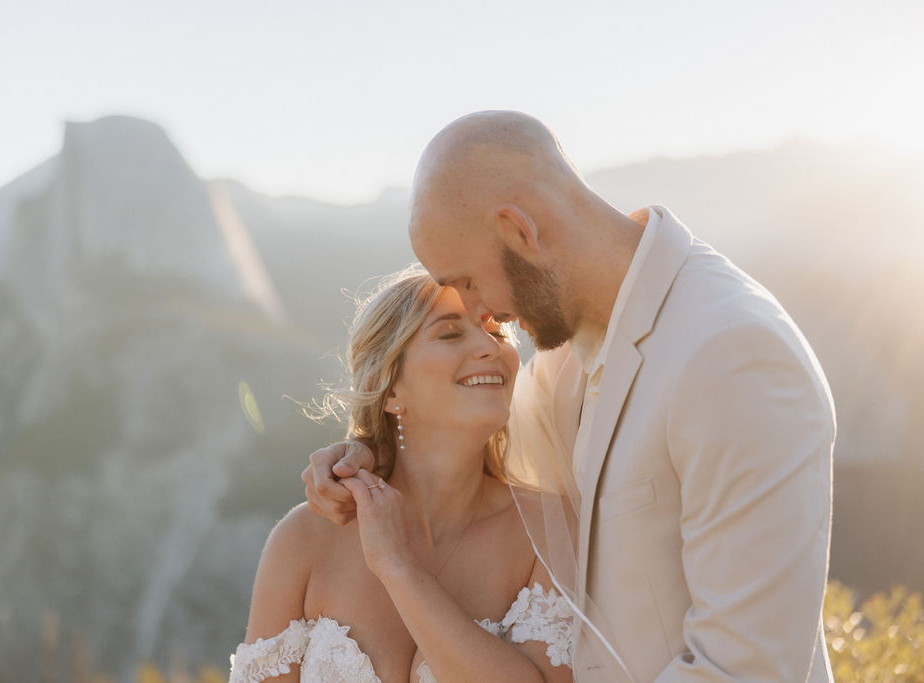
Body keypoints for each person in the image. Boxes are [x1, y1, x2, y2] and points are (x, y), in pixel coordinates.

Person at [303, 111, 836, 682]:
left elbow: (746, 672)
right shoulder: (561, 362)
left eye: (467, 281)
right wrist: (364, 457)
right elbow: (456, 449)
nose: (479, 312)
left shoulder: (731, 353)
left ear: (521, 232)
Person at [232, 268, 609, 682]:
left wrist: (397, 566)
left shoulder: (549, 530)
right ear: (391, 389)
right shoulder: (306, 539)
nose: (489, 347)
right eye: (449, 334)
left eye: (498, 334)